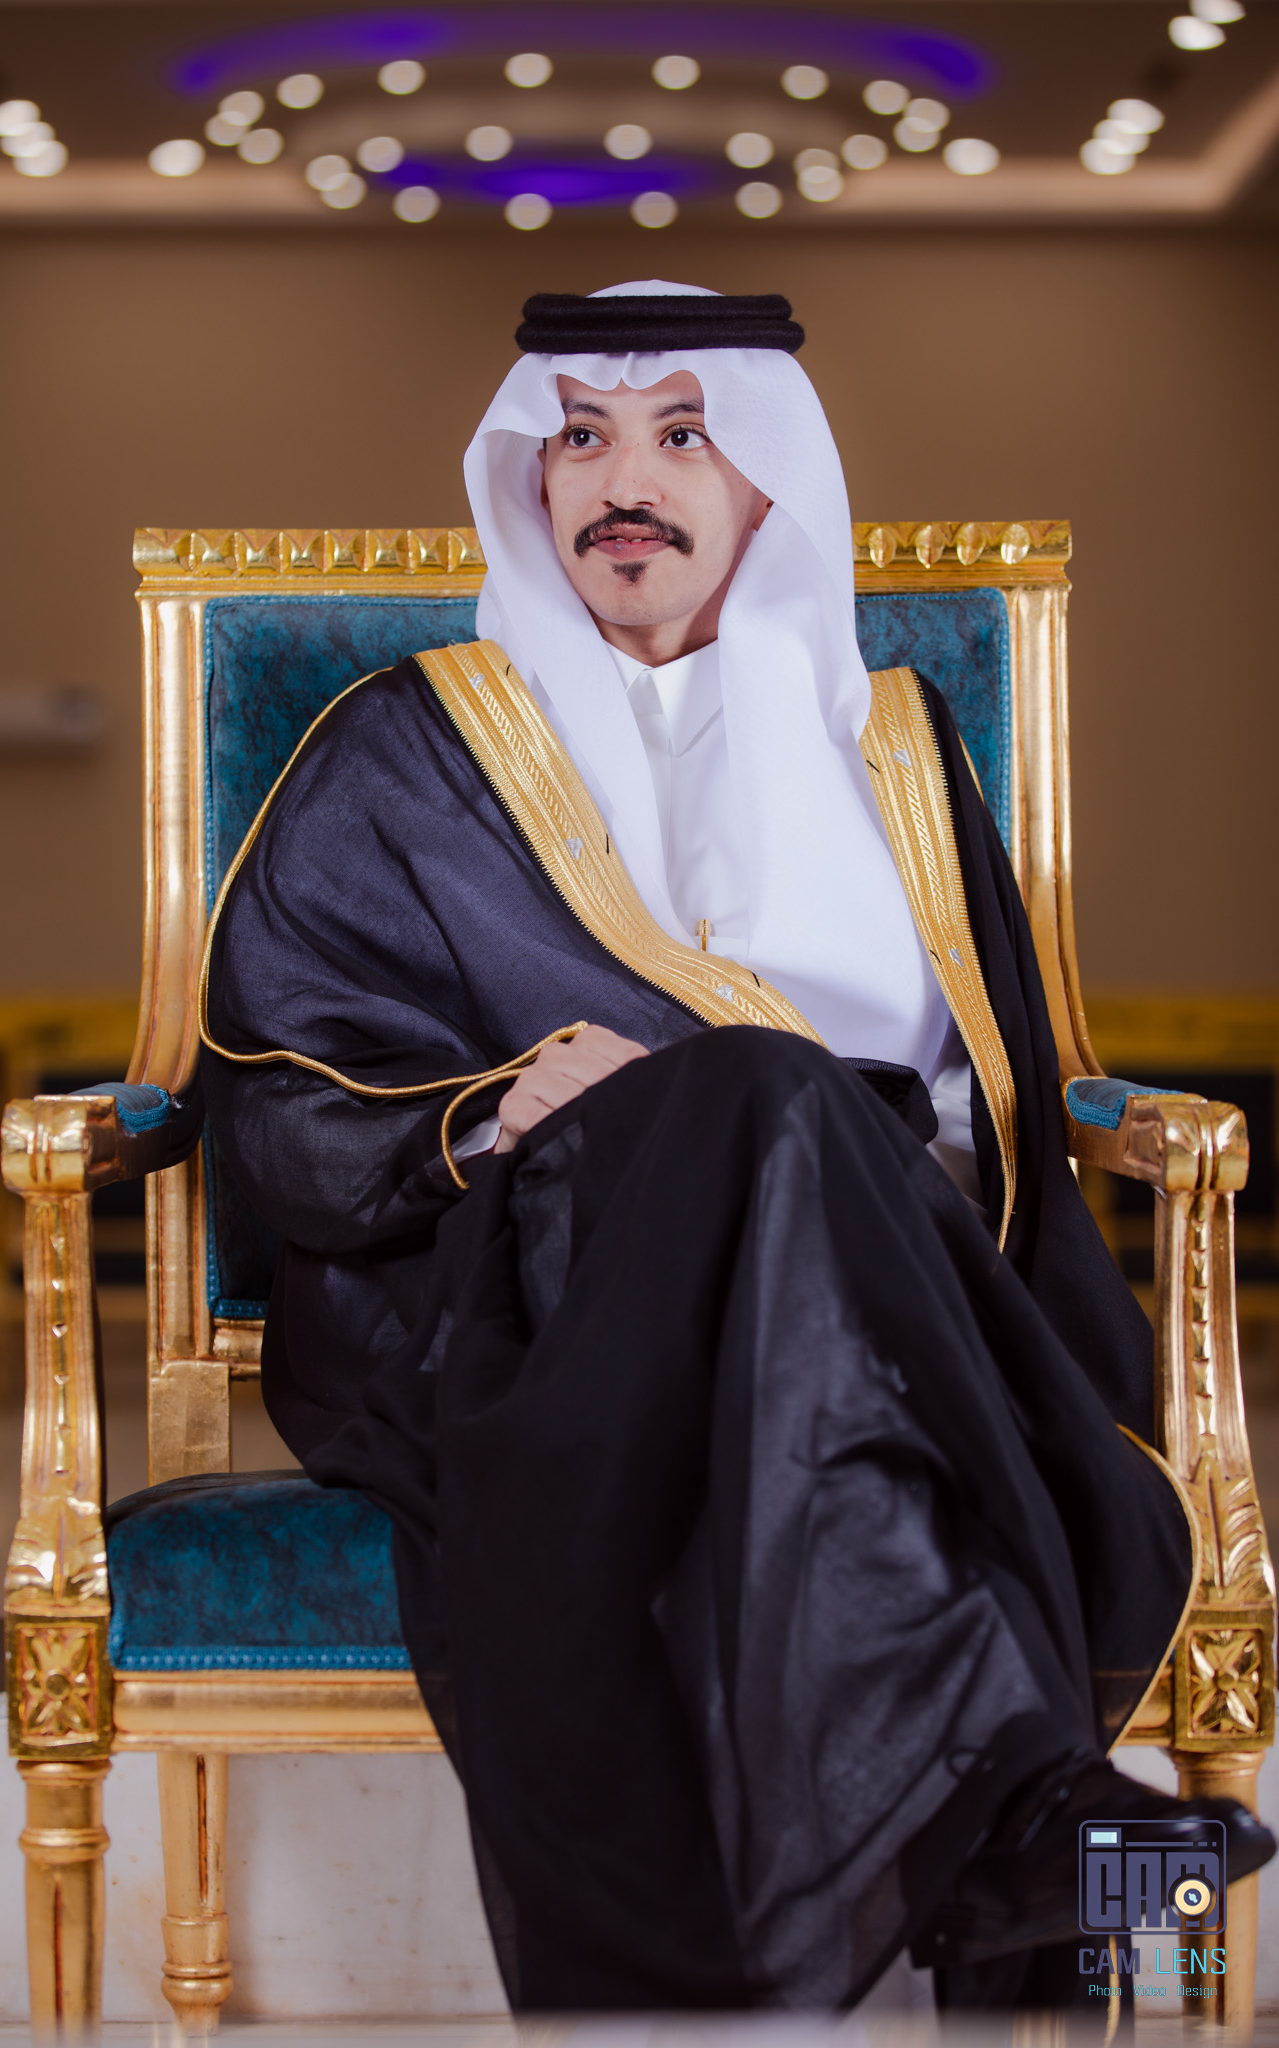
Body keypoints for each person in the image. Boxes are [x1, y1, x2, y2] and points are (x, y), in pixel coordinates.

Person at [199, 282, 1272, 2013]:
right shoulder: (407, 747)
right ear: (531, 475)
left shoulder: (894, 752)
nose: (622, 481)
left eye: (682, 436)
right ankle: (1021, 1810)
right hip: (538, 1305)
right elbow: (271, 1095)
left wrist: (832, 1181)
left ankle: (996, 1828)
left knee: (792, 1116)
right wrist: (489, 1106)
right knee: (758, 1088)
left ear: (769, 480)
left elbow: (993, 1112)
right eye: (581, 437)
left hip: (895, 1290)